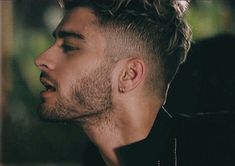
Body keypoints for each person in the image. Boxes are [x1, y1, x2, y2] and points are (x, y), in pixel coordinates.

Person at [34, 0, 235, 166]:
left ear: (129, 75)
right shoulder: (92, 158)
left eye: (69, 47)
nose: (41, 59)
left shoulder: (221, 148)